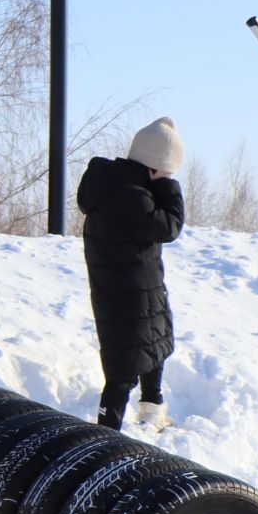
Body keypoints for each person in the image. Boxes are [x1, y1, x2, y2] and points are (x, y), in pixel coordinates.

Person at [78, 117, 186, 430]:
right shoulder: (133, 196)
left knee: (152, 346)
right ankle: (106, 431)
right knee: (123, 368)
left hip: (129, 288)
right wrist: (168, 185)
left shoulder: (116, 187)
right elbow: (170, 227)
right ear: (156, 166)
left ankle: (151, 408)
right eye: (166, 172)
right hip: (130, 293)